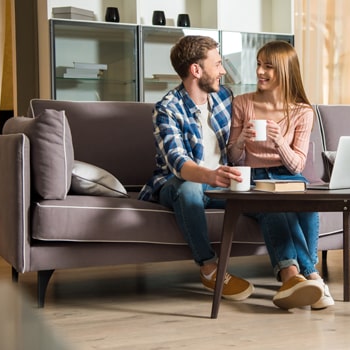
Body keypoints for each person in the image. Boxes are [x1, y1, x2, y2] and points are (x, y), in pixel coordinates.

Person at [138, 35, 254, 301]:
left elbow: (232, 152)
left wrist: (241, 142)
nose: (223, 71)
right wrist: (211, 176)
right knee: (189, 188)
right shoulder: (167, 108)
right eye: (218, 64)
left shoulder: (224, 97)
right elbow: (179, 164)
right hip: (177, 184)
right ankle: (210, 269)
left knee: (264, 197)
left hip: (220, 182)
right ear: (196, 70)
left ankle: (290, 272)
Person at [227, 40, 334, 310]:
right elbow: (233, 158)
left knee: (308, 207)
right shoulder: (242, 103)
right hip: (252, 177)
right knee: (274, 207)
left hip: (288, 178)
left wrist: (279, 142)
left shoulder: (302, 111)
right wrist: (240, 141)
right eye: (259, 65)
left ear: (285, 71)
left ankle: (302, 278)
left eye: (269, 67)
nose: (260, 72)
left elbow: (296, 166)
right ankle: (305, 277)